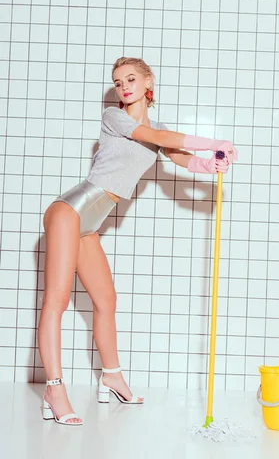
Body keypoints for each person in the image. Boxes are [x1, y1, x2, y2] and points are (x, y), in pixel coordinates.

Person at [38, 56, 238, 426]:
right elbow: (157, 139)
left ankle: (111, 376)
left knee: (106, 301)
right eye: (118, 82)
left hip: (89, 224)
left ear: (149, 82)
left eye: (131, 78)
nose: (124, 86)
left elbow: (178, 155)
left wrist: (211, 164)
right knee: (58, 300)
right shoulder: (116, 119)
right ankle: (54, 388)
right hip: (70, 211)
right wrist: (215, 142)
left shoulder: (155, 126)